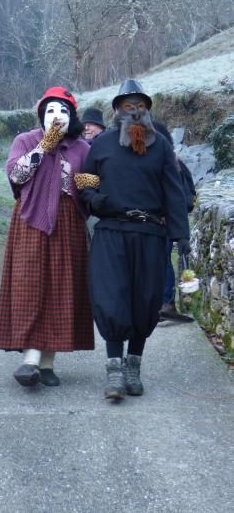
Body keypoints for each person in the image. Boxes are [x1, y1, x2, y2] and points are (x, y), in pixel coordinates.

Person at [77, 79, 190, 401]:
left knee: (146, 301)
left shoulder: (162, 148)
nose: (134, 110)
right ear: (116, 110)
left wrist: (181, 235)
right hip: (112, 232)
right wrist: (93, 199)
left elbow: (174, 193)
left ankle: (133, 366)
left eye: (140, 105)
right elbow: (85, 182)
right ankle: (114, 368)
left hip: (151, 235)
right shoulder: (102, 145)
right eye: (128, 104)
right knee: (111, 298)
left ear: (147, 110)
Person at [0, 86, 94, 387]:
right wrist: (46, 145)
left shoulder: (81, 148)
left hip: (68, 223)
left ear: (71, 116)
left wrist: (78, 178)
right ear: (41, 114)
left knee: (61, 289)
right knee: (30, 286)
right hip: (31, 221)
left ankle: (47, 363)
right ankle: (30, 358)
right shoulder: (25, 140)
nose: (55, 115)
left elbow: (90, 182)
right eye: (50, 110)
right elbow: (16, 175)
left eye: (62, 110)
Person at [154, 121, 196, 323]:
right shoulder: (168, 161)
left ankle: (167, 303)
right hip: (159, 220)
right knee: (159, 261)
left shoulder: (173, 163)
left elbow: (185, 196)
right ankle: (161, 304)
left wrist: (168, 214)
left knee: (162, 261)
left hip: (165, 221)